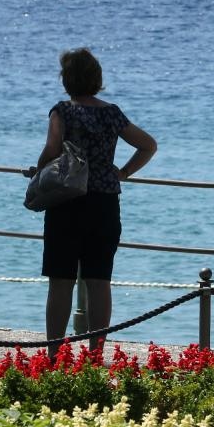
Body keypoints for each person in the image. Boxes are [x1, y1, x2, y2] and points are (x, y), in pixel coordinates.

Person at [37, 48, 157, 348]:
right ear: (96, 78)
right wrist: (124, 172)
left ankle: (55, 352)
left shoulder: (62, 111)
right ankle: (95, 353)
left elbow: (52, 149)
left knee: (61, 281)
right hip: (104, 203)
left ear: (67, 79)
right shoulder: (111, 113)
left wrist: (38, 173)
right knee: (99, 281)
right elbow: (148, 145)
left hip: (66, 201)